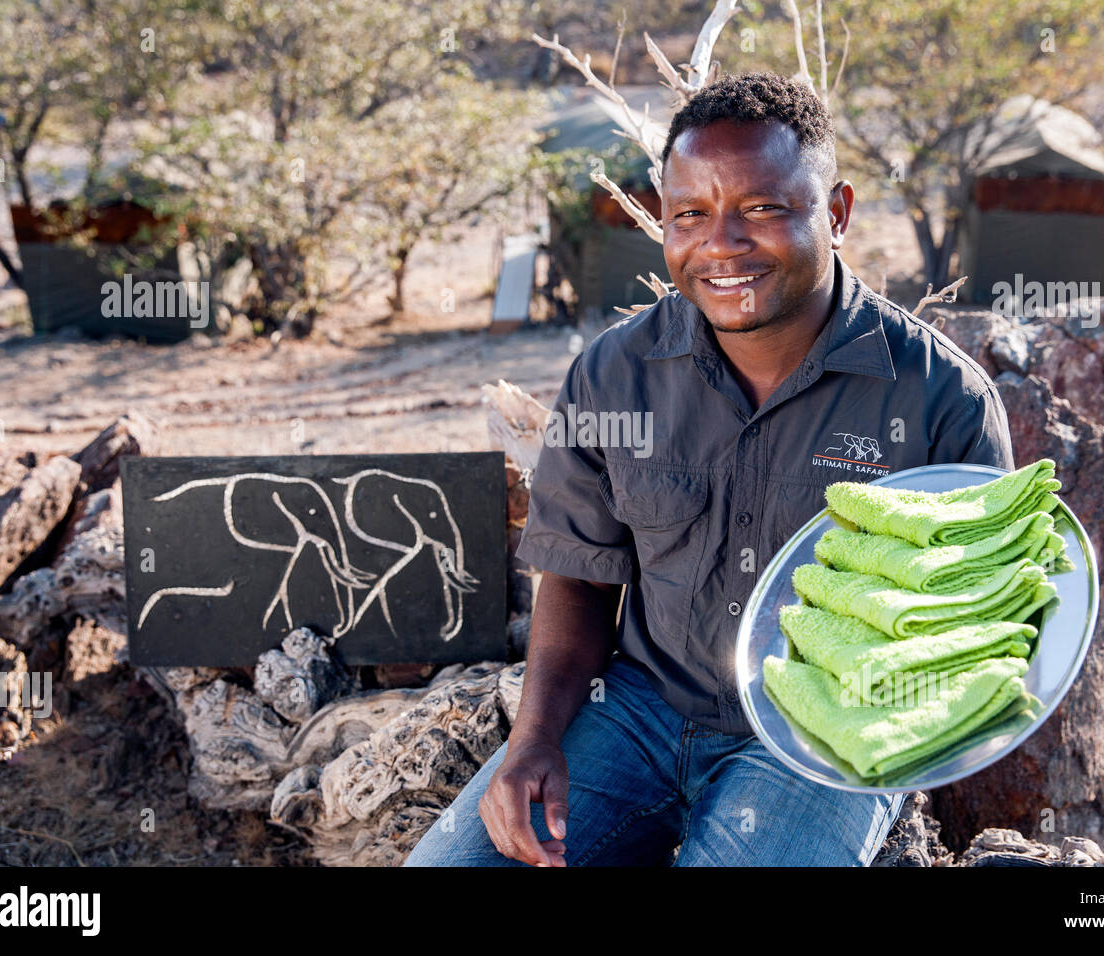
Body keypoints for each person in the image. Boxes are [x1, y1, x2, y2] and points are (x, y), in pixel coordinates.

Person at [405, 70, 1014, 867]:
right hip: (637, 710)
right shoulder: (616, 375)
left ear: (835, 213)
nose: (721, 244)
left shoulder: (941, 399)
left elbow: (974, 622)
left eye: (761, 209)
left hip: (825, 733)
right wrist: (533, 742)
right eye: (690, 214)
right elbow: (581, 579)